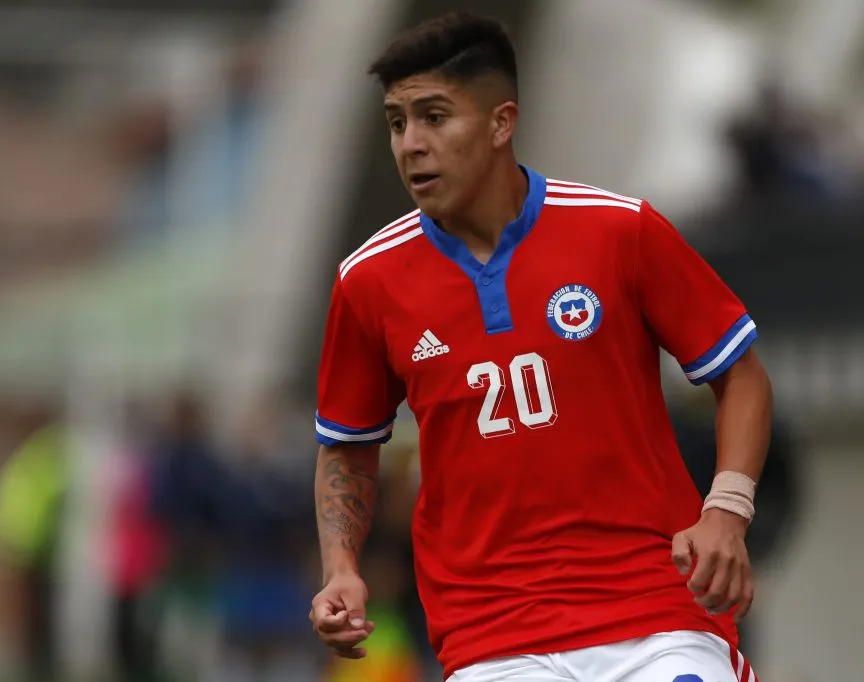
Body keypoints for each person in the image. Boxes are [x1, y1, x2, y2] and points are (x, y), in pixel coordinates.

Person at [308, 12, 773, 682]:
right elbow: (347, 446)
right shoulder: (367, 281)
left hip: (654, 610)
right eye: (397, 121)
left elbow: (744, 376)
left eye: (435, 117)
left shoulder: (618, 231)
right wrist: (342, 570)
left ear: (501, 123)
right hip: (492, 636)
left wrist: (727, 511)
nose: (411, 143)